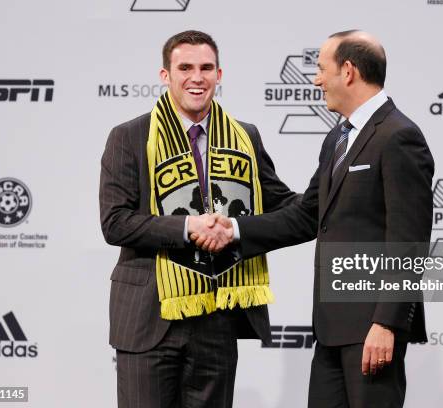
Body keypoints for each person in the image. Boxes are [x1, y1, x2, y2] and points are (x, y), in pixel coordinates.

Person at [193, 30, 434, 407]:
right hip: (331, 327)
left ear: (349, 71)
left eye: (322, 69)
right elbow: (308, 216)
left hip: (372, 326)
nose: (317, 79)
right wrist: (235, 228)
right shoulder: (337, 138)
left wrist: (387, 323)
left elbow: (410, 240)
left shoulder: (399, 136)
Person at [99, 30, 297, 408]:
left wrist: (338, 193)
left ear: (219, 76)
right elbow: (116, 222)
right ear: (165, 75)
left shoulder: (245, 137)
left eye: (207, 68)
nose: (197, 77)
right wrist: (188, 228)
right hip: (148, 317)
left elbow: (283, 204)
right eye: (185, 67)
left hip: (217, 316)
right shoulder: (129, 136)